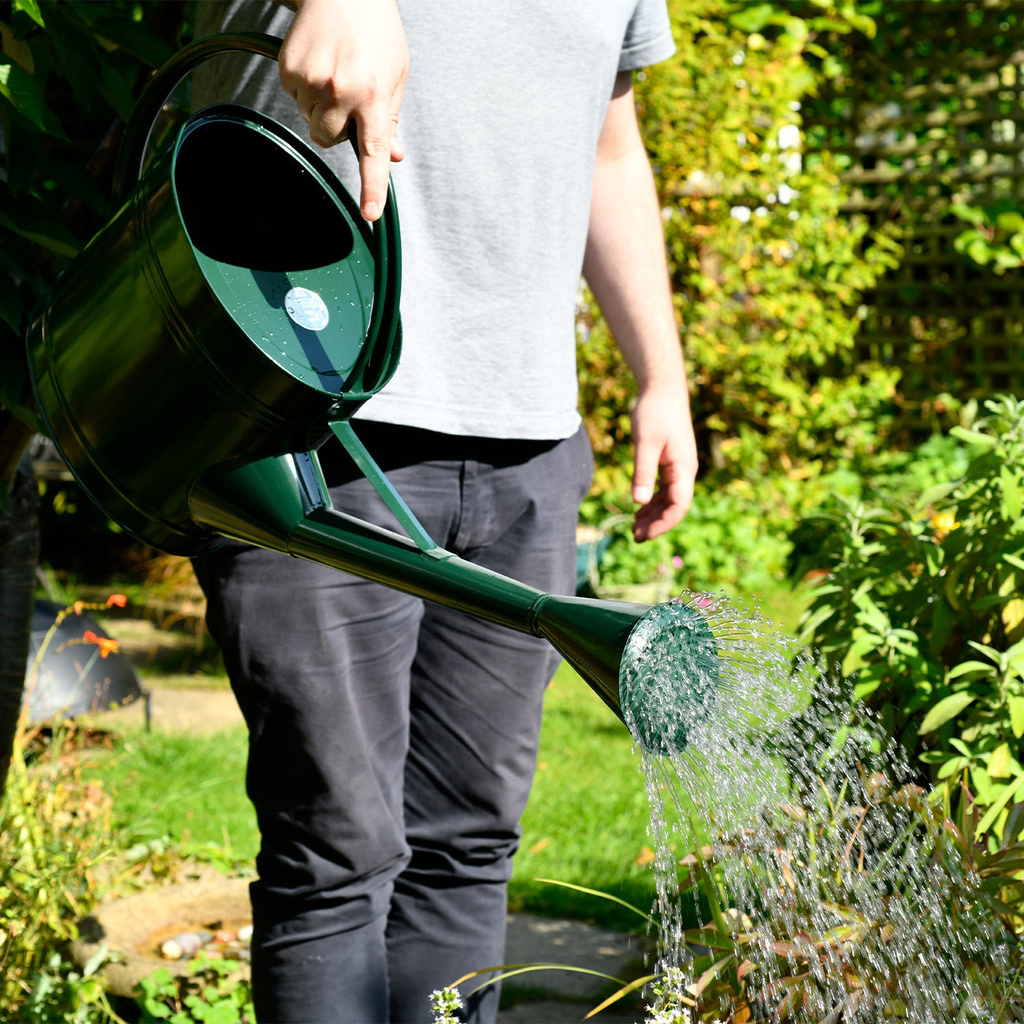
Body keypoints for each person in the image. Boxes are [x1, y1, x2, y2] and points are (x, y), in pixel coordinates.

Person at [190, 2, 698, 1021]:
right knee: (335, 857)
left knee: (468, 846)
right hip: (316, 423)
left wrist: (660, 375)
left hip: (529, 442)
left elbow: (605, 144)